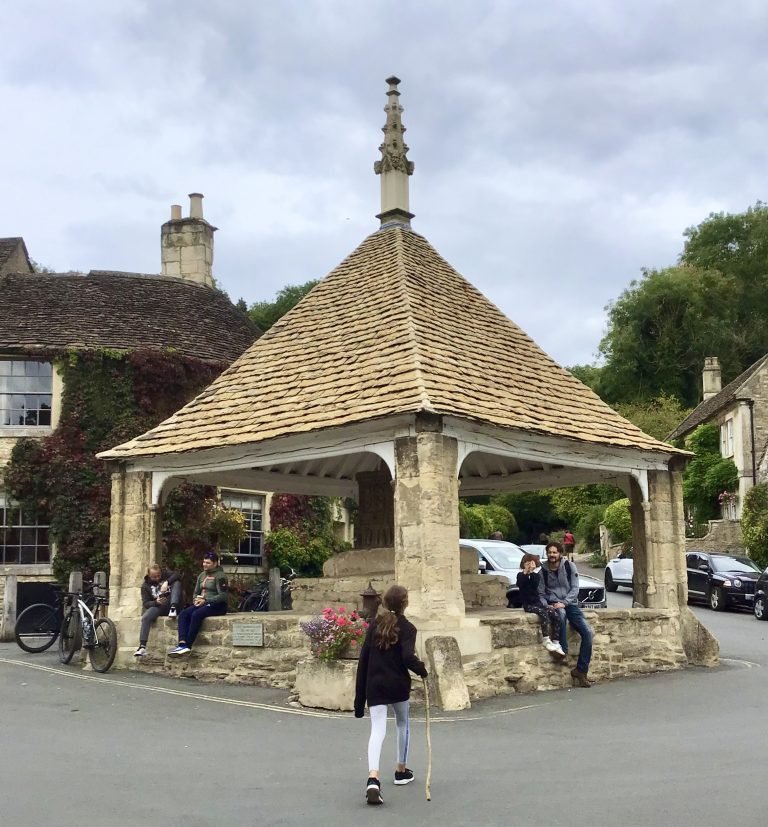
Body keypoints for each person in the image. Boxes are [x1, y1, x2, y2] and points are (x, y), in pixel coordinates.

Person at [354, 584, 428, 806]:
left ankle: (373, 778)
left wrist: (359, 701)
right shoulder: (408, 627)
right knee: (402, 724)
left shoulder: (375, 624)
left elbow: (364, 660)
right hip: (398, 686)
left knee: (377, 730)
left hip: (375, 685)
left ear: (385, 602)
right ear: (405, 603)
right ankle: (400, 771)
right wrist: (422, 670)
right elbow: (407, 657)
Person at [538, 541, 594, 688]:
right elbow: (541, 593)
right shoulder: (542, 571)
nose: (552, 555)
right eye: (550, 552)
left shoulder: (569, 566)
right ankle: (563, 650)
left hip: (571, 604)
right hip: (554, 604)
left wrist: (565, 602)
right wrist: (547, 605)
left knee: (588, 633)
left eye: (555, 552)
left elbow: (575, 588)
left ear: (560, 553)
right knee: (561, 615)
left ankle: (581, 670)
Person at [168, 551, 228, 657]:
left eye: (208, 563)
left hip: (217, 605)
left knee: (197, 615)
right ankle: (181, 643)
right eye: (204, 562)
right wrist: (196, 600)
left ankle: (188, 645)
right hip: (202, 603)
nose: (205, 564)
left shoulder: (220, 576)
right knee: (184, 614)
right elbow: (196, 592)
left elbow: (223, 596)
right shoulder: (201, 575)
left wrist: (206, 600)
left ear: (215, 564)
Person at [516, 553, 564, 656]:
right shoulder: (520, 575)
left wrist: (532, 572)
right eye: (527, 563)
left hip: (537, 602)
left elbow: (534, 585)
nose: (529, 565)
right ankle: (546, 639)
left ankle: (556, 641)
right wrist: (526, 572)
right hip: (528, 604)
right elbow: (521, 583)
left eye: (531, 563)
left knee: (554, 614)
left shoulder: (536, 576)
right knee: (543, 614)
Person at [135, 563, 183, 657]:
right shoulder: (145, 586)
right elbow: (146, 603)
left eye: (158, 575)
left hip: (173, 603)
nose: (157, 578)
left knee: (177, 583)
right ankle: (142, 646)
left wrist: (167, 582)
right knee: (146, 616)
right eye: (154, 577)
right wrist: (156, 602)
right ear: (149, 575)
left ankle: (173, 608)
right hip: (159, 606)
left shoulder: (165, 574)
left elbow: (178, 575)